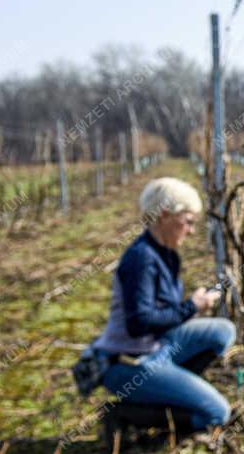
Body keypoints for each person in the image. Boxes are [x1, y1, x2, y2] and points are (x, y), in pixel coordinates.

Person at [88, 177, 235, 436]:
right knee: (217, 414)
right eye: (188, 221)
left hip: (156, 346)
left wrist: (192, 306)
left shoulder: (164, 253)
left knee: (223, 331)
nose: (191, 231)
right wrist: (192, 306)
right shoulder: (141, 259)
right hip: (129, 363)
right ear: (165, 215)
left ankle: (171, 387)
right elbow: (139, 323)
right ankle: (124, 413)